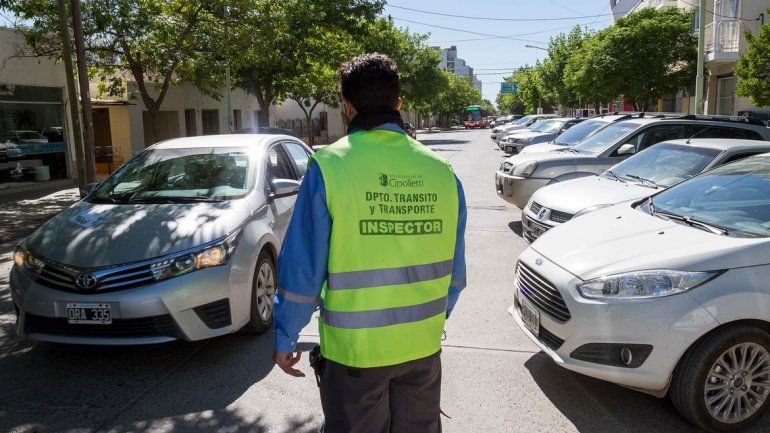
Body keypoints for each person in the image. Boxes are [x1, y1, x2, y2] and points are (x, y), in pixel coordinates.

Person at [272, 53, 467, 433]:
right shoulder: (442, 172)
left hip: (355, 356)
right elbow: (455, 274)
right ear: (399, 103)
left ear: (346, 105)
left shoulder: (329, 166)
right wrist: (425, 323)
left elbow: (303, 270)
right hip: (422, 350)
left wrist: (286, 334)